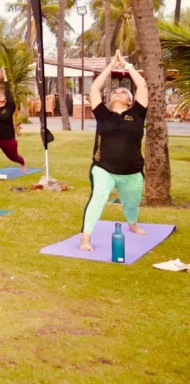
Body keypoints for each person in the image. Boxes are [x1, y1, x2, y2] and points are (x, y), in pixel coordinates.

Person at [79, 51, 149, 252]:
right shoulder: (103, 115)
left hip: (132, 171)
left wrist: (127, 66)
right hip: (104, 167)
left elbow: (142, 86)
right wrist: (110, 66)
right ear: (109, 100)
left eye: (123, 92)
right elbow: (94, 88)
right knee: (99, 195)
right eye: (115, 92)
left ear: (130, 101)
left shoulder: (137, 114)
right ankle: (85, 237)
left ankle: (132, 224)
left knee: (131, 202)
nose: (118, 93)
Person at [0, 67, 26, 172]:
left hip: (8, 139)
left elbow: (8, 92)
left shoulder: (10, 107)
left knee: (14, 157)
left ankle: (23, 163)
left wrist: (5, 77)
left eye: (2, 95)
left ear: (6, 98)